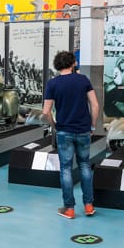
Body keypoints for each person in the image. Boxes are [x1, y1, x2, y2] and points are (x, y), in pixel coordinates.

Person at [42, 51, 99, 219]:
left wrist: (54, 126)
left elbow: (46, 111)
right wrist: (92, 125)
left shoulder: (52, 84)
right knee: (85, 166)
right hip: (83, 130)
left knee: (66, 169)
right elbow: (95, 105)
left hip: (64, 131)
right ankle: (89, 206)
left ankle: (69, 209)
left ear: (57, 65)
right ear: (73, 63)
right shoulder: (83, 80)